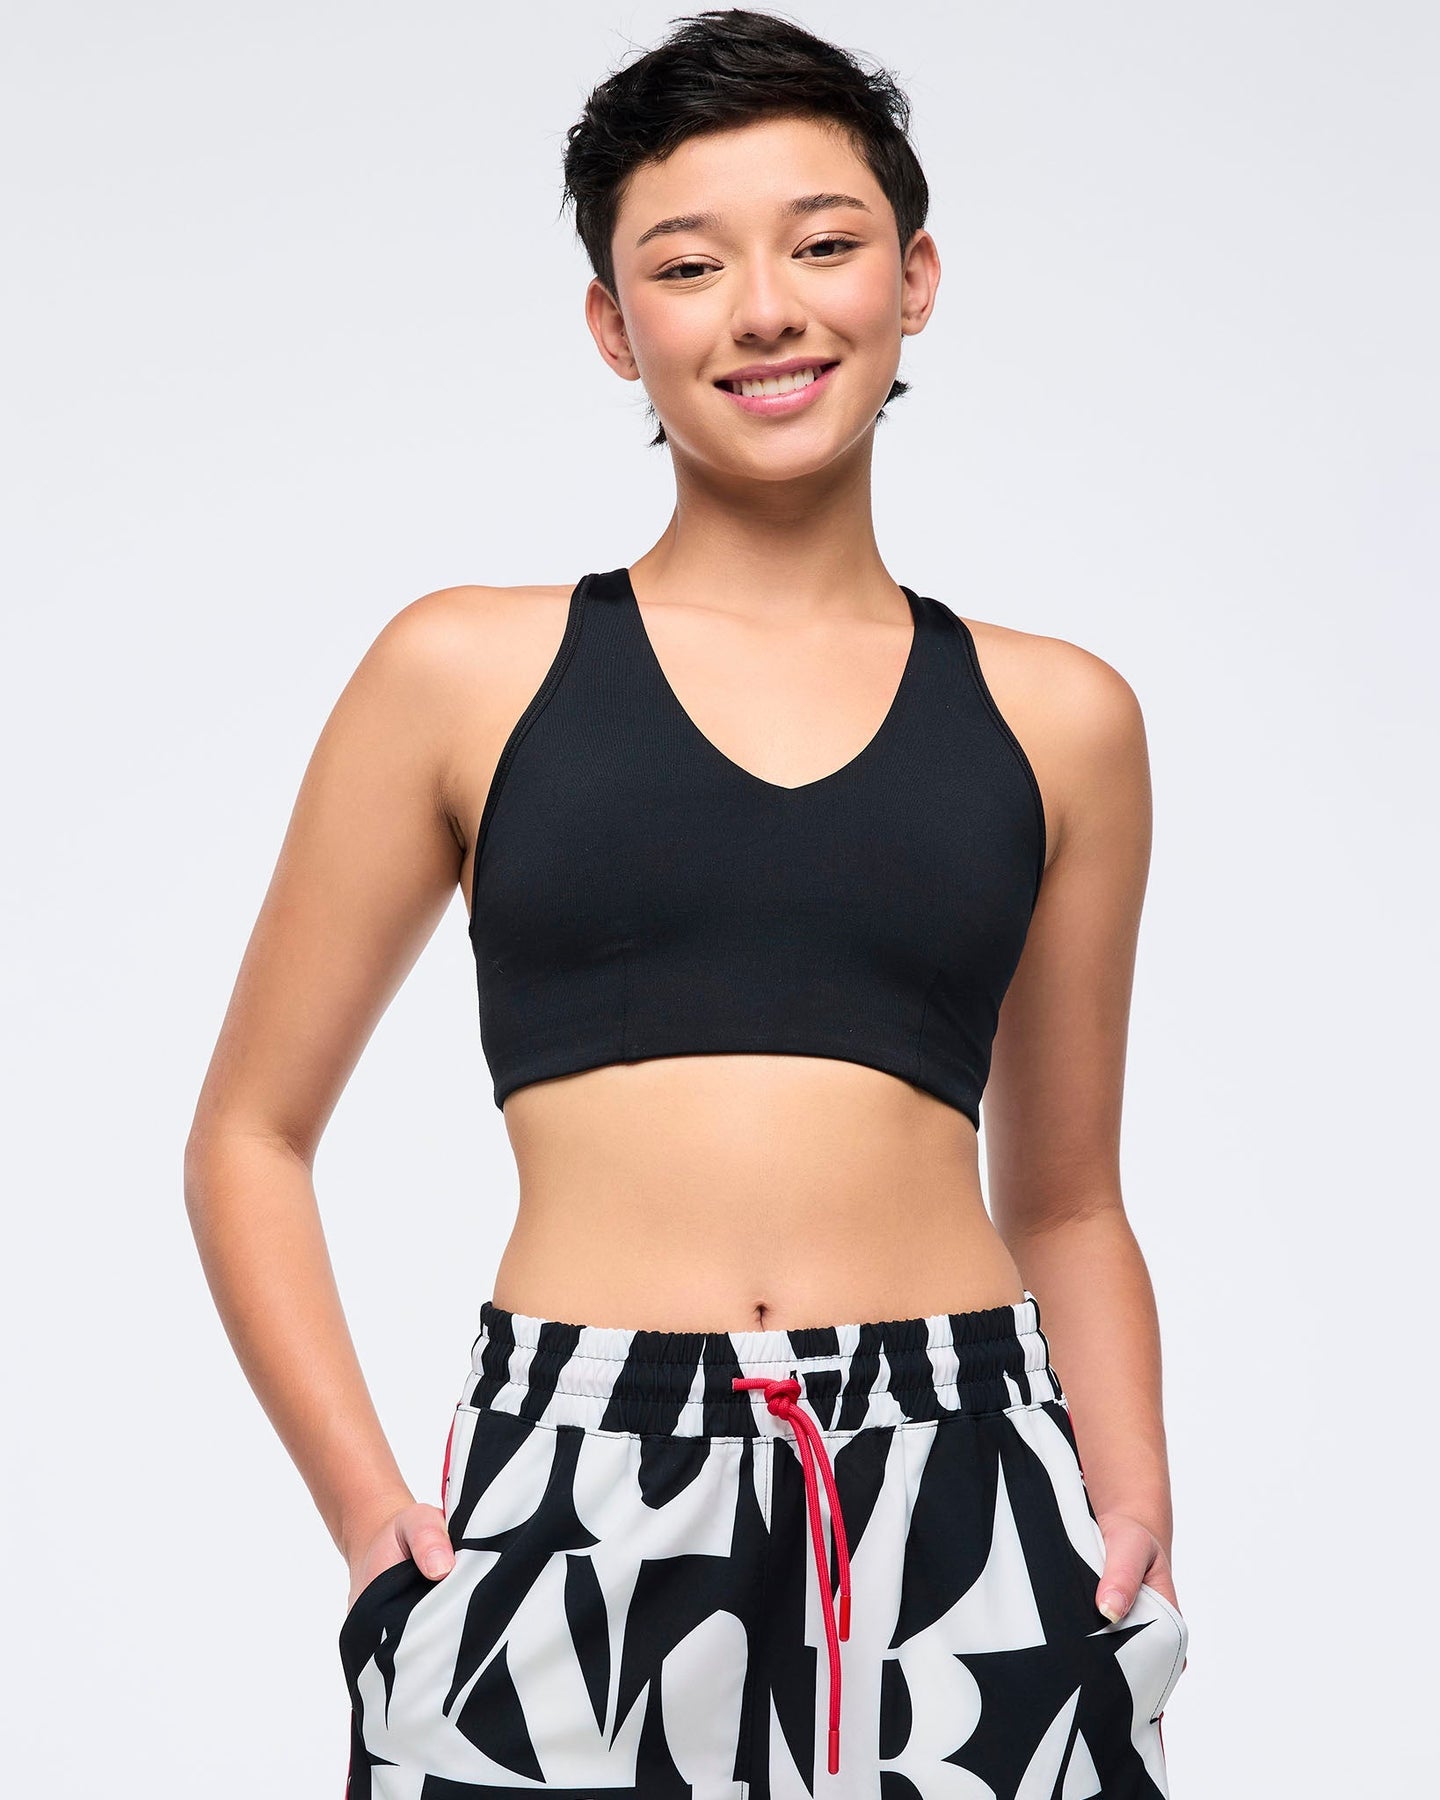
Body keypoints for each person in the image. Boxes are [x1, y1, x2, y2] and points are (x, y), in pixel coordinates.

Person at [184, 10, 1189, 1795]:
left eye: (824, 243)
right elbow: (248, 1137)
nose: (768, 310)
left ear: (915, 278)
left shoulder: (1062, 719)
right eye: (689, 264)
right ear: (614, 326)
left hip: (961, 1477)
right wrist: (365, 1522)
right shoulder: (462, 673)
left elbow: (1066, 1197)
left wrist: (1132, 1528)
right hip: (571, 1478)